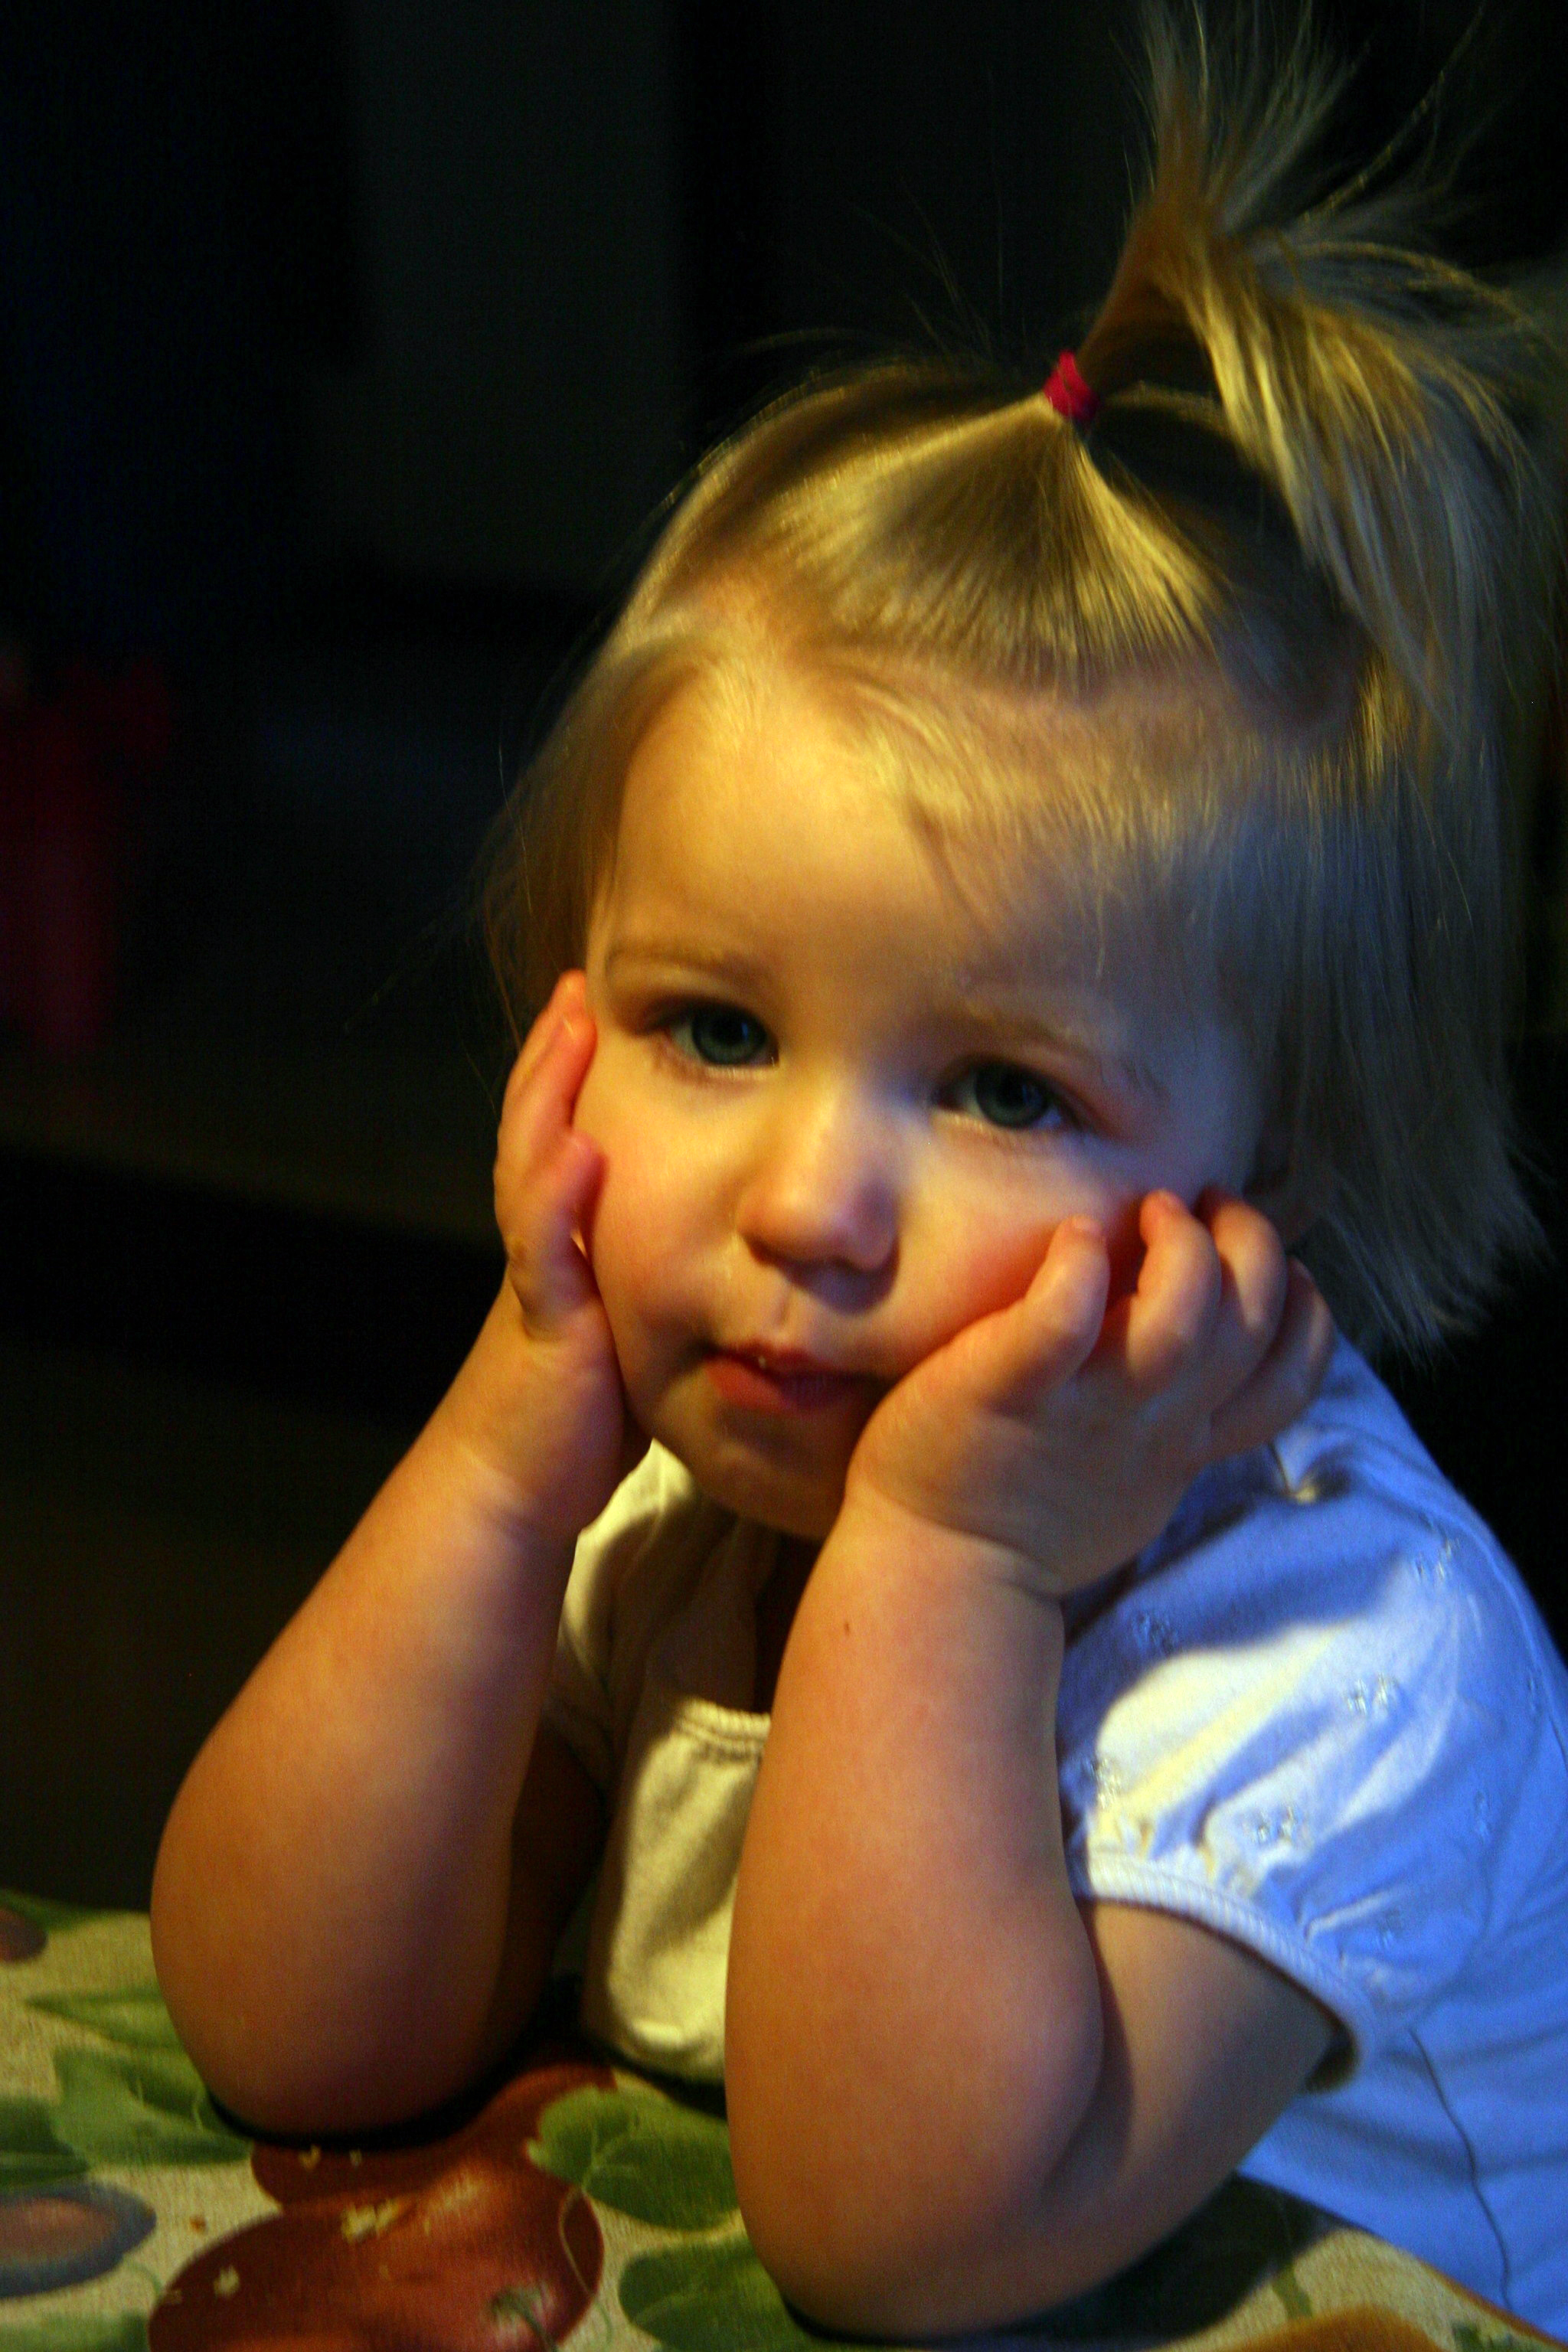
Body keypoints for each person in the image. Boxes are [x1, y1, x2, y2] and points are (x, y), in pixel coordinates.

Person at [150, 8, 1568, 2337]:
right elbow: (291, 2023)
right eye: (715, 1031)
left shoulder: (1339, 1650)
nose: (810, 1201)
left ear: (1280, 1173)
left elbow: (902, 2234)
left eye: (1002, 1089)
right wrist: (504, 1455)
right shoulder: (678, 1507)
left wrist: (953, 1559)